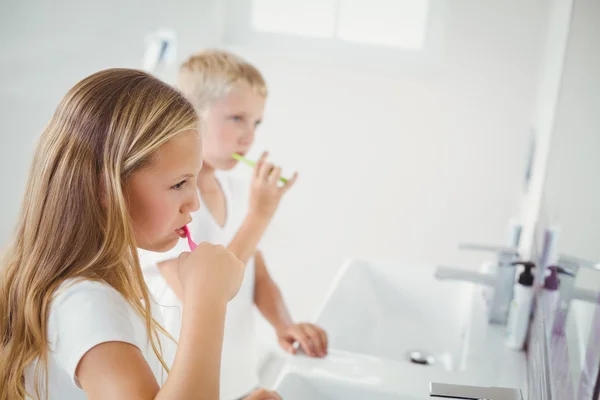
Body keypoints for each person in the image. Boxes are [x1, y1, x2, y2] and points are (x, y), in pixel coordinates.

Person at [0, 68, 279, 400]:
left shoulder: (108, 286)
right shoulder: (86, 303)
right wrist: (208, 299)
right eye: (178, 184)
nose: (194, 202)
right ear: (106, 189)